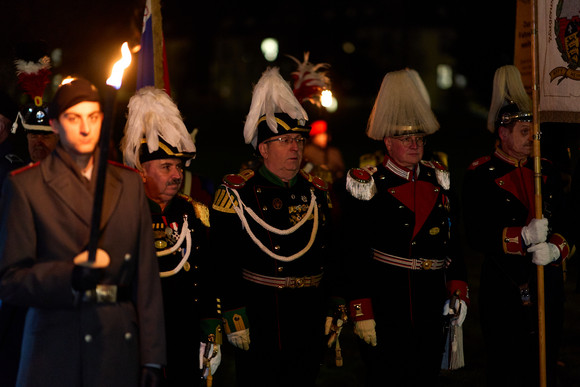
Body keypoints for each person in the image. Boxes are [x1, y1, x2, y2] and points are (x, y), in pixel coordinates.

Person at [0, 77, 166, 387]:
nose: (85, 128)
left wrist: (153, 356)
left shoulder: (129, 184)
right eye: (73, 118)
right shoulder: (26, 186)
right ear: (55, 125)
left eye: (93, 117)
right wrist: (68, 276)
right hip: (55, 345)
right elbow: (10, 279)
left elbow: (146, 277)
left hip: (117, 344)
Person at [210, 67, 343, 387]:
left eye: (298, 140)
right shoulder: (238, 195)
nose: (295, 148)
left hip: (308, 313)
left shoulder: (316, 191)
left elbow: (334, 251)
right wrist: (233, 312)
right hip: (261, 315)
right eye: (284, 140)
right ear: (263, 149)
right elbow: (223, 261)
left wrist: (334, 302)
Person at [342, 68, 469, 386]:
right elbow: (354, 251)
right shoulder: (369, 183)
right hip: (388, 305)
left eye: (419, 138)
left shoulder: (437, 177)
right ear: (388, 141)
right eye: (405, 138)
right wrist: (361, 309)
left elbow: (453, 241)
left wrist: (458, 290)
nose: (415, 145)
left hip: (432, 303)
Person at [463, 65, 572, 387]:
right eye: (524, 131)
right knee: (506, 363)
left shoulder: (547, 170)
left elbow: (569, 218)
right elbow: (476, 233)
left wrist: (557, 246)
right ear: (503, 133)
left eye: (534, 130)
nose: (532, 137)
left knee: (545, 360)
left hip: (547, 280)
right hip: (504, 283)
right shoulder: (480, 175)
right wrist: (519, 238)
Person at [121, 86, 222, 386]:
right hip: (136, 337)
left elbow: (209, 276)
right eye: (166, 167)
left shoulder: (195, 213)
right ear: (141, 171)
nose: (177, 175)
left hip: (185, 336)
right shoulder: (123, 215)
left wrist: (211, 329)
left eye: (178, 167)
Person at [302, 119, 345, 185]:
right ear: (313, 138)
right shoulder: (306, 151)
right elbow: (304, 171)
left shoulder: (334, 152)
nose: (324, 138)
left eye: (325, 134)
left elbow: (341, 171)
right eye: (320, 135)